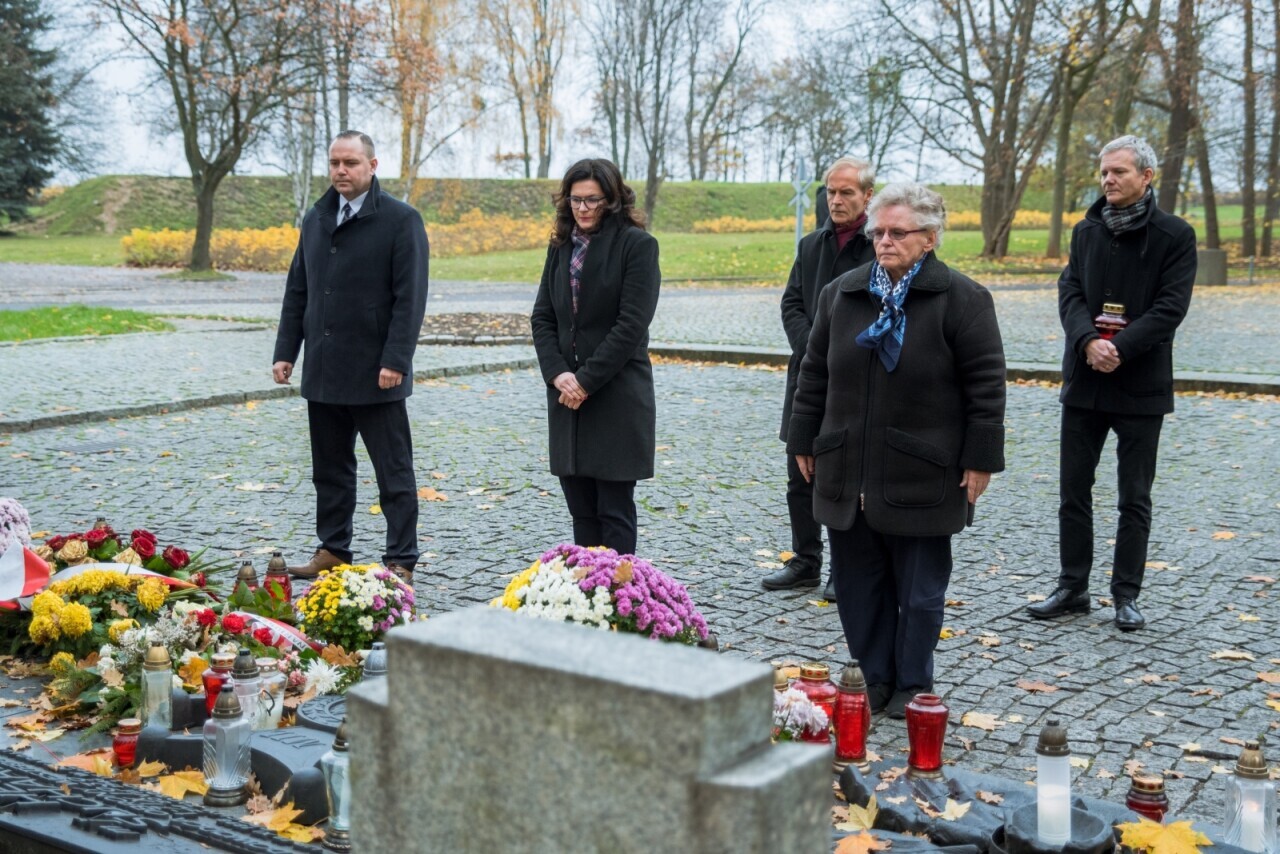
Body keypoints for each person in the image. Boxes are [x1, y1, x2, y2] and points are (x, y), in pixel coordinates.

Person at [787, 183, 1006, 718]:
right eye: (878, 232)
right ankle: (874, 677)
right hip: (847, 466)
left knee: (920, 594)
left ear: (929, 238)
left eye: (898, 232)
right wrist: (803, 439)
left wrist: (981, 458)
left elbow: (986, 385)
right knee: (858, 587)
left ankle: (912, 682)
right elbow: (813, 374)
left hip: (924, 472)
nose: (885, 241)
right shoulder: (841, 294)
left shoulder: (963, 298)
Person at [1028, 135, 1196, 632]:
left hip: (1140, 383)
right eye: (1104, 172)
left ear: (1146, 176)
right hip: (1086, 380)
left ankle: (1126, 594)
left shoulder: (1174, 235)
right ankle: (1072, 586)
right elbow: (1070, 292)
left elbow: (1171, 307)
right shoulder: (1087, 230)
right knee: (1073, 491)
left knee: (1133, 497)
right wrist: (1087, 341)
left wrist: (1119, 347)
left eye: (1119, 171)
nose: (1108, 180)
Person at [272, 130, 429, 583]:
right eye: (335, 163)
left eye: (351, 163)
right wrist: (286, 351)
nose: (341, 171)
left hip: (378, 372)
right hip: (324, 370)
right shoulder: (316, 218)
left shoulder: (401, 220)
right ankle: (333, 549)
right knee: (329, 471)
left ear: (372, 166)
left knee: (393, 473)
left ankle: (401, 559)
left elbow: (410, 298)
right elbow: (298, 289)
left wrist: (396, 360)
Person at [530, 158, 660, 556]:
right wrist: (558, 374)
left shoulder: (637, 246)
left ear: (612, 200)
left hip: (615, 394)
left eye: (592, 200)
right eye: (575, 200)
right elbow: (542, 316)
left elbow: (631, 325)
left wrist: (585, 381)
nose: (583, 209)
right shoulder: (561, 246)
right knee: (581, 511)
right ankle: (587, 587)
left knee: (614, 510)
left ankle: (619, 588)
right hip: (566, 397)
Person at [764, 157, 877, 601]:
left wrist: (837, 350)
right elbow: (792, 303)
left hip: (855, 378)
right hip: (807, 376)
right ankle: (805, 559)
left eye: (847, 192)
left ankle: (846, 568)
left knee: (845, 476)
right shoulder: (811, 245)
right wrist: (812, 347)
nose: (836, 199)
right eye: (831, 191)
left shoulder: (877, 246)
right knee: (800, 472)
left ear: (867, 195)